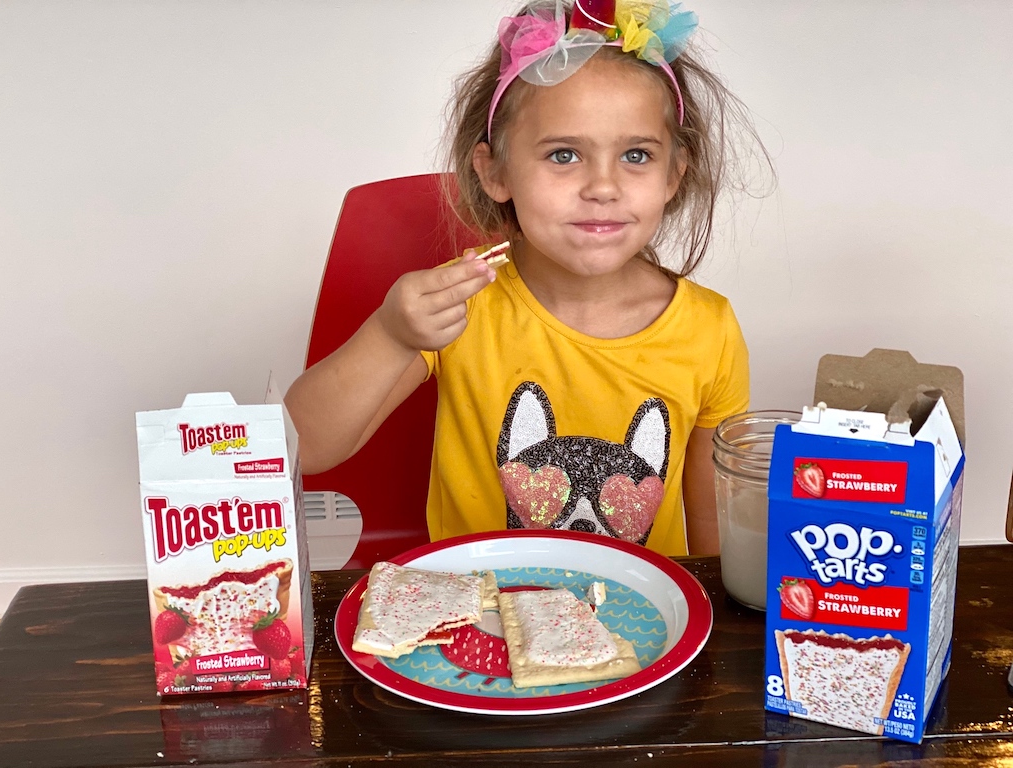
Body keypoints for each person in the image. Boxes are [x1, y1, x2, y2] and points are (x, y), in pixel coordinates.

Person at [285, 0, 766, 556]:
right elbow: (303, 447)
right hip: (477, 614)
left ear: (673, 176)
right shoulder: (465, 300)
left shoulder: (710, 329)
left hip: (639, 629)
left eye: (636, 154)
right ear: (494, 173)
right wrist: (391, 335)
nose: (603, 187)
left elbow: (712, 548)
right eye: (564, 154)